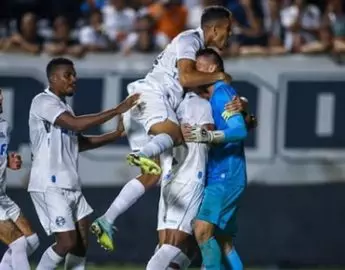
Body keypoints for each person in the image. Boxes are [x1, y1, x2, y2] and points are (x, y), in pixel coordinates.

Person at [91, 5, 233, 251]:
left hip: (139, 101)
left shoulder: (191, 44)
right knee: (176, 136)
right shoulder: (190, 39)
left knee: (151, 176)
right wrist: (219, 76)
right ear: (213, 28)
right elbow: (186, 78)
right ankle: (142, 154)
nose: (229, 35)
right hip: (153, 97)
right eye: (227, 30)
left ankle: (107, 219)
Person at [28, 57, 139, 270]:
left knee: (81, 243)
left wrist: (115, 135)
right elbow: (76, 125)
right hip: (49, 183)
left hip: (69, 183)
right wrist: (117, 110)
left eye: (74, 74)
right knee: (66, 242)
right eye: (67, 75)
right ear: (52, 78)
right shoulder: (43, 102)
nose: (73, 79)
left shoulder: (64, 109)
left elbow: (79, 143)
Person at [183, 48, 251, 270]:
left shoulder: (221, 93)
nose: (193, 72)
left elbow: (239, 130)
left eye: (198, 67)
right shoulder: (217, 95)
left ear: (212, 69)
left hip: (225, 174)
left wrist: (209, 135)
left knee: (202, 230)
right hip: (224, 172)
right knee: (223, 243)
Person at [0, 89, 40, 270]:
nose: (0, 98)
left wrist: (7, 160)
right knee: (18, 243)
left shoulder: (3, 125)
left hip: (1, 195)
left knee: (31, 241)